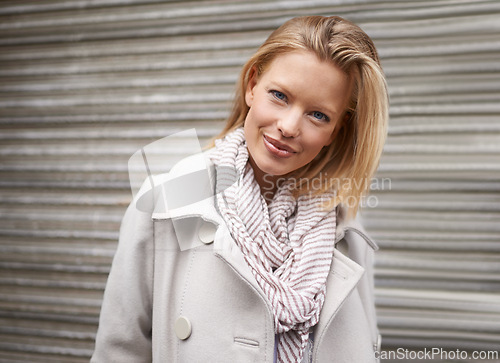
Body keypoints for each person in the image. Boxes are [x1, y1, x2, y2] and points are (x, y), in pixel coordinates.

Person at [91, 15, 388, 363]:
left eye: (318, 115)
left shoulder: (345, 227)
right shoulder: (171, 199)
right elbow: (120, 350)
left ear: (337, 131)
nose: (289, 126)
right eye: (279, 95)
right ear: (252, 85)